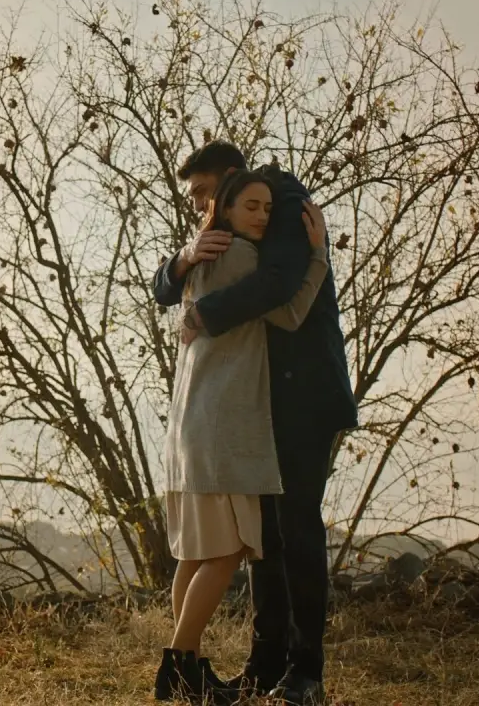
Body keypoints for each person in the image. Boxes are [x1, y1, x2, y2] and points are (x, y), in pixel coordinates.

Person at [151, 141, 358, 706]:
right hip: (257, 404)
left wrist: (203, 312)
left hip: (303, 398)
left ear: (230, 181)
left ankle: (304, 672)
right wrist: (183, 258)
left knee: (294, 531)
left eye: (202, 192)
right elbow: (164, 286)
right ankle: (260, 669)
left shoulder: (285, 205)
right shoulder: (223, 235)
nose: (198, 205)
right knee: (264, 539)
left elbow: (280, 290)